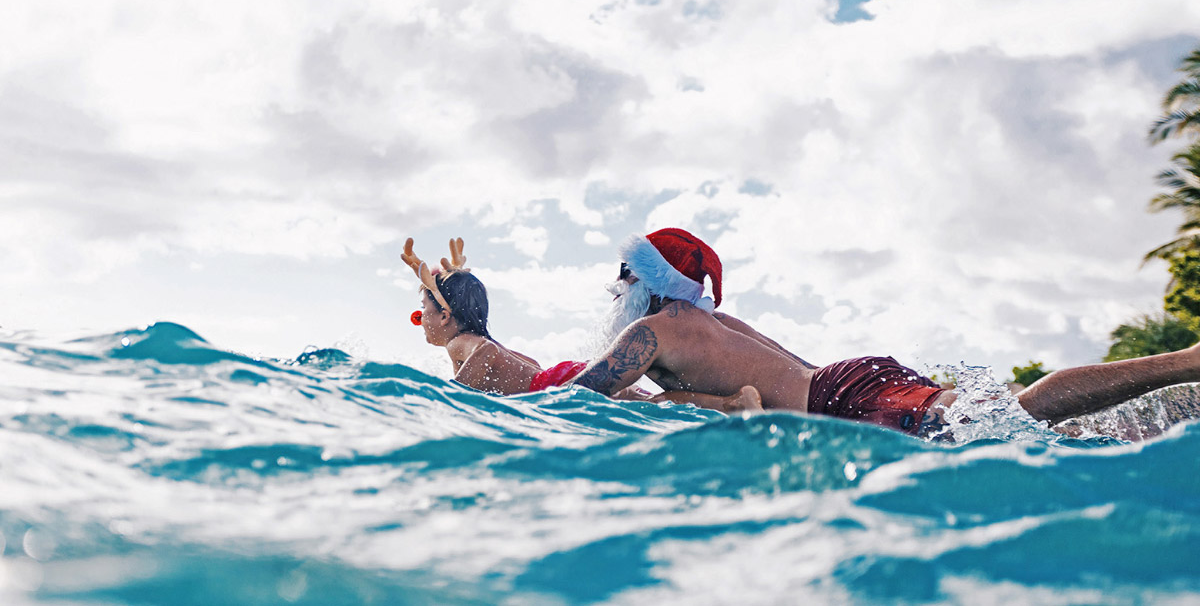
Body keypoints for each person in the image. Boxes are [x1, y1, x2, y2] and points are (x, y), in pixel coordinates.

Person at [572, 227, 1200, 437]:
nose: (616, 294)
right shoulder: (710, 323)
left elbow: (577, 395)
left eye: (623, 280)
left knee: (1019, 410)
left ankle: (1185, 362)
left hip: (840, 398)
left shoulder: (656, 331)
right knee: (1012, 429)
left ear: (646, 281)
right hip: (848, 380)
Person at [402, 238, 763, 412]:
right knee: (648, 401)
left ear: (446, 315)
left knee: (651, 403)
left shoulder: (463, 343)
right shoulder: (474, 341)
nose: (421, 323)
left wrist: (445, 398)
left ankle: (733, 404)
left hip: (558, 383)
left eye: (422, 313)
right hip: (557, 376)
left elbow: (485, 354)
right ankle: (731, 402)